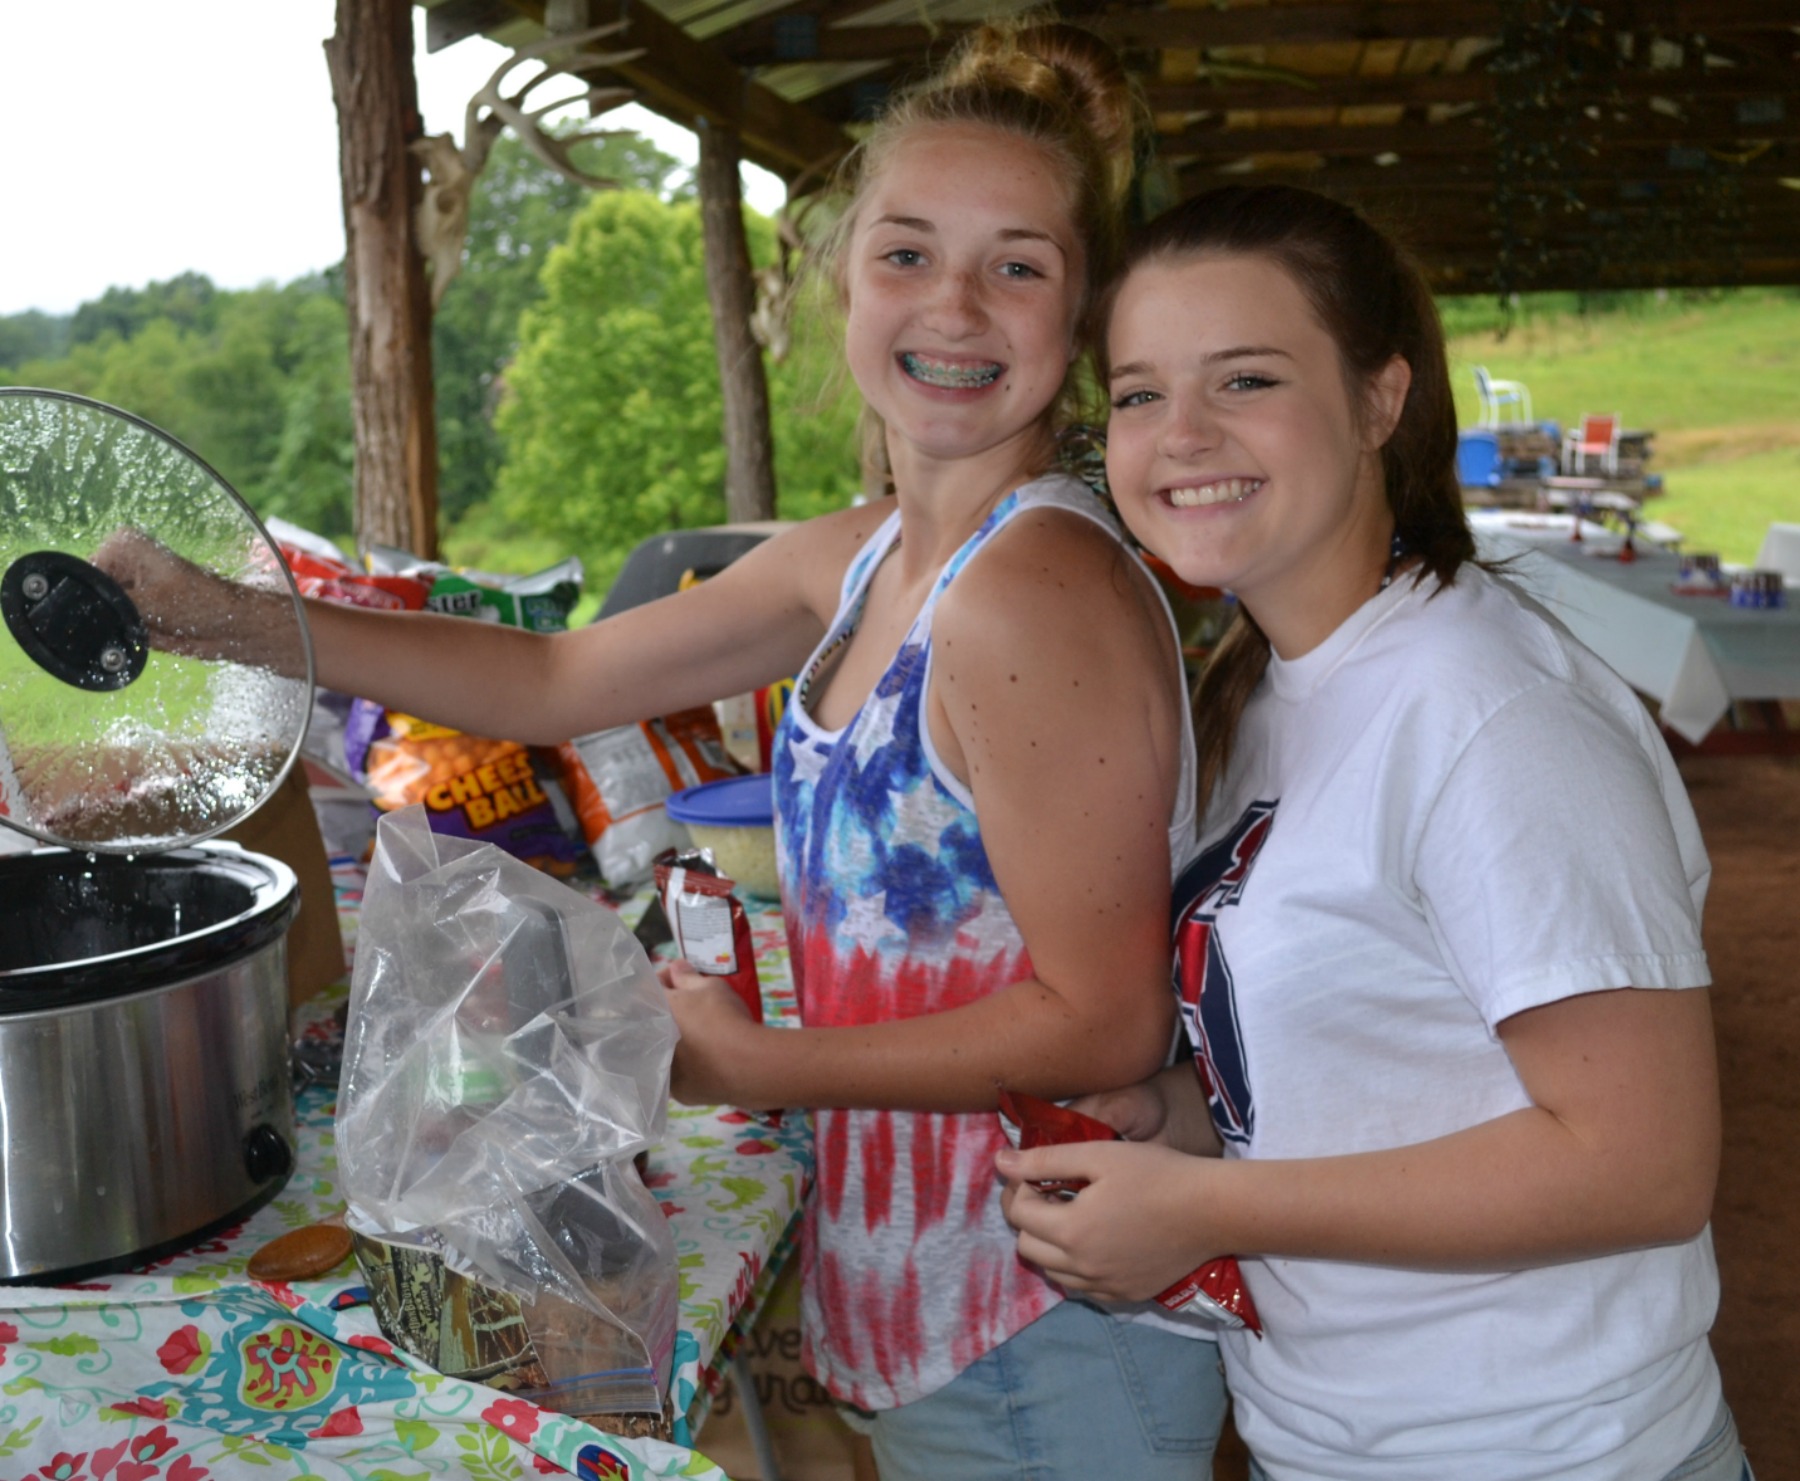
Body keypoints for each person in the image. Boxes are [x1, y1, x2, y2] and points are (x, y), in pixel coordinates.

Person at [99, 23, 1226, 1480]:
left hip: (1042, 1327)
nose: (954, 304)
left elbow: (1109, 1021)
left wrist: (772, 1055)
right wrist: (234, 617)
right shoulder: (874, 554)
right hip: (947, 1300)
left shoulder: (1030, 590)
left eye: (1018, 265)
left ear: (1082, 323)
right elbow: (558, 676)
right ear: (838, 281)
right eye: (906, 253)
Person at [997, 183, 1752, 1481]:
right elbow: (1387, 1047)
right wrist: (1180, 1112)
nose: (1180, 434)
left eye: (1245, 380)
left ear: (1380, 397)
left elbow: (1643, 1162)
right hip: (1338, 1436)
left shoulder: (1490, 711)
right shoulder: (1263, 684)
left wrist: (1206, 1206)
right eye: (1136, 393)